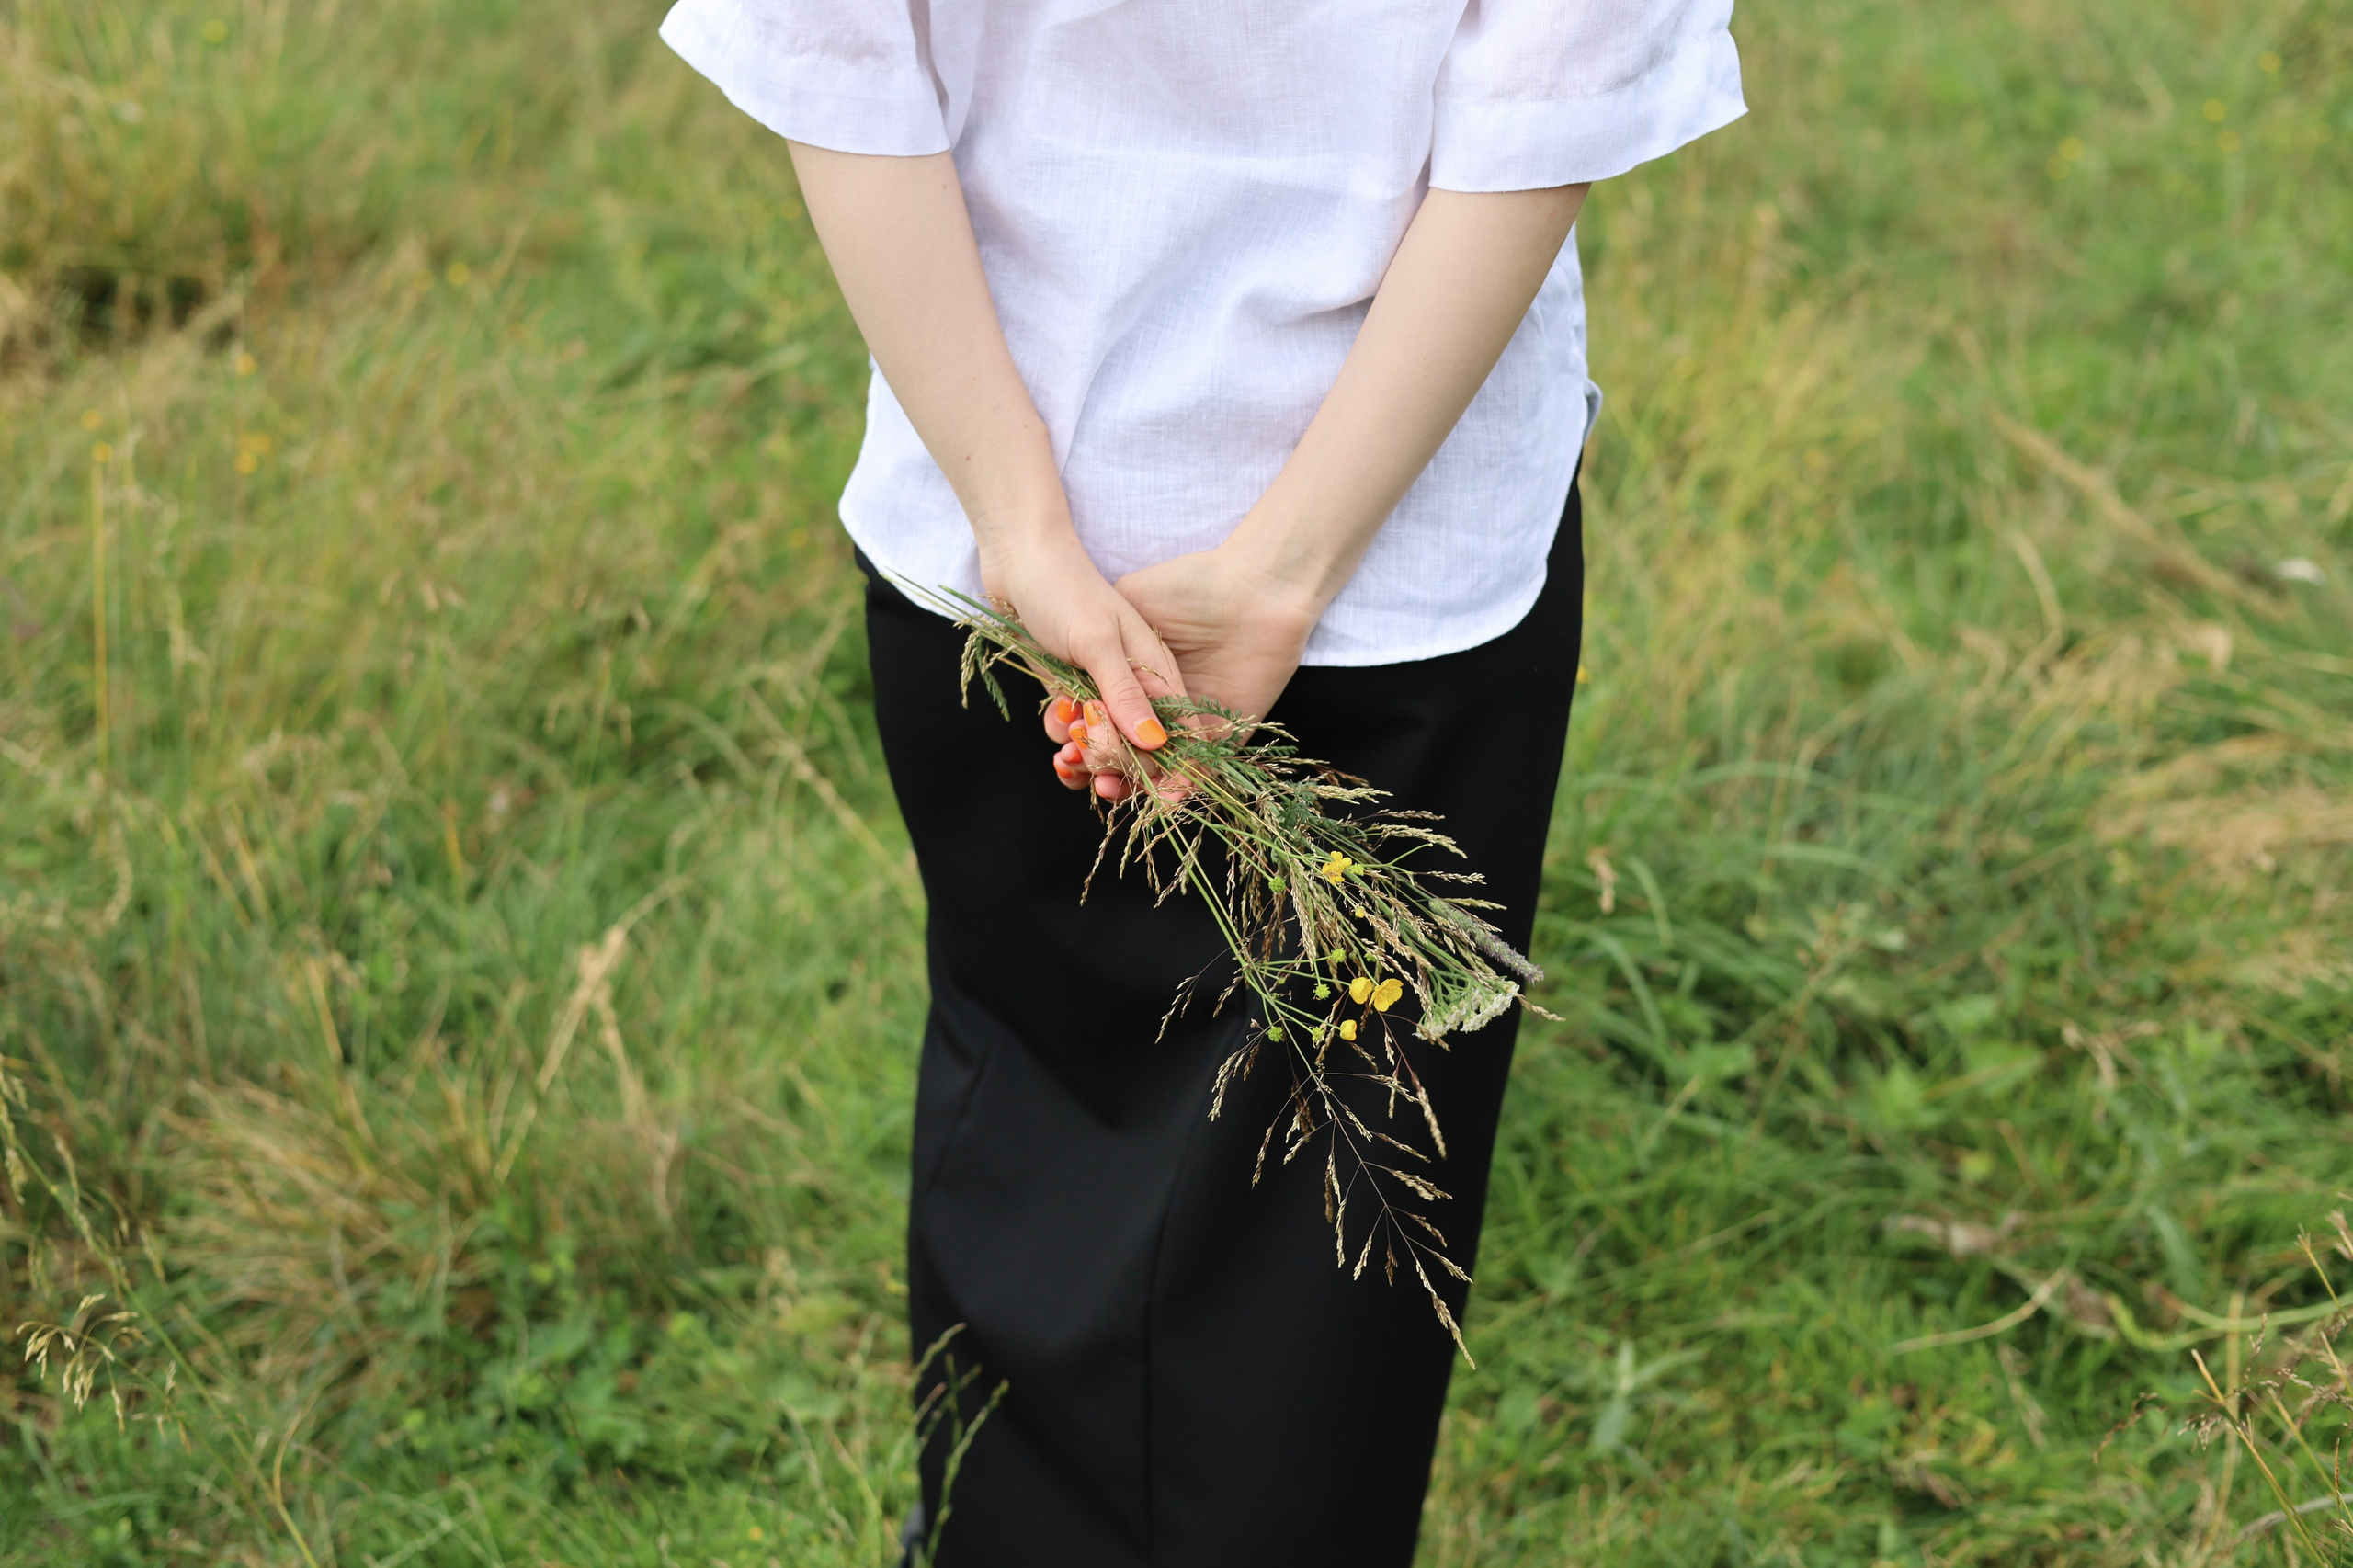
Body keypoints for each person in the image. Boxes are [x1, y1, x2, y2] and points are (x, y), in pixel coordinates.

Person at [659, 4, 1744, 1562]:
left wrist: (1018, 519)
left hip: (1002, 550)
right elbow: (1547, 82)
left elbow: (835, 40)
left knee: (1032, 1131)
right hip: (1396, 568)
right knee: (1311, 1293)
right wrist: (1284, 568)